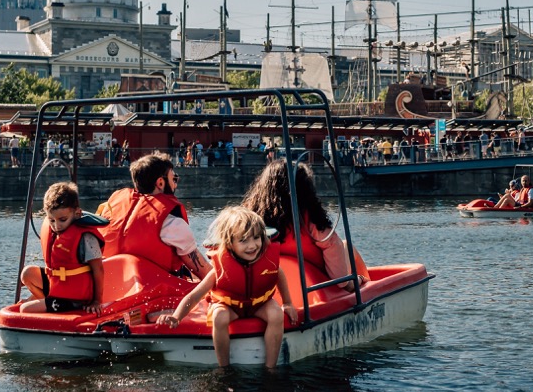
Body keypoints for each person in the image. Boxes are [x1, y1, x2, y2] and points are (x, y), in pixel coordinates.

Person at [159, 206, 299, 368]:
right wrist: (177, 317)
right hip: (230, 306)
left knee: (276, 314)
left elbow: (278, 274)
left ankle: (271, 367)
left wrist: (287, 302)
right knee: (219, 317)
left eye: (256, 238)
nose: (252, 245)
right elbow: (194, 296)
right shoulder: (220, 270)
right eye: (243, 240)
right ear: (230, 244)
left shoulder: (267, 260)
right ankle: (224, 367)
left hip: (259, 304)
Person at [241, 160, 369, 288]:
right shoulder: (309, 219)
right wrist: (348, 282)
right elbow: (338, 272)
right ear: (305, 189)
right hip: (318, 283)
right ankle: (366, 282)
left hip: (275, 281)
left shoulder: (253, 219)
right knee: (348, 247)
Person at [99, 151, 212, 280]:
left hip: (107, 283)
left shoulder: (109, 209)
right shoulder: (171, 222)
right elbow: (204, 272)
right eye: (174, 179)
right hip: (151, 291)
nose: (176, 184)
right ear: (160, 183)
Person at [20, 182, 105, 314]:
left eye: (62, 219)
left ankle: (47, 304)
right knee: (27, 273)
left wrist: (97, 301)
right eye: (52, 220)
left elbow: (98, 270)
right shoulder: (56, 232)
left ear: (77, 213)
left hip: (76, 298)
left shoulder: (86, 237)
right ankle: (47, 300)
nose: (57, 226)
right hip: (58, 288)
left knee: (24, 309)